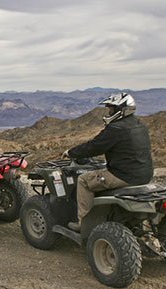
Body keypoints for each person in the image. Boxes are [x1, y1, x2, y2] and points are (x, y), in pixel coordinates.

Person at [63, 92, 153, 232]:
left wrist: (71, 152)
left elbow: (94, 146)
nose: (109, 111)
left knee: (83, 181)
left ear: (120, 110)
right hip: (145, 174)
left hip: (123, 176)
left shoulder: (116, 128)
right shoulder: (140, 124)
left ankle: (84, 224)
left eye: (111, 108)